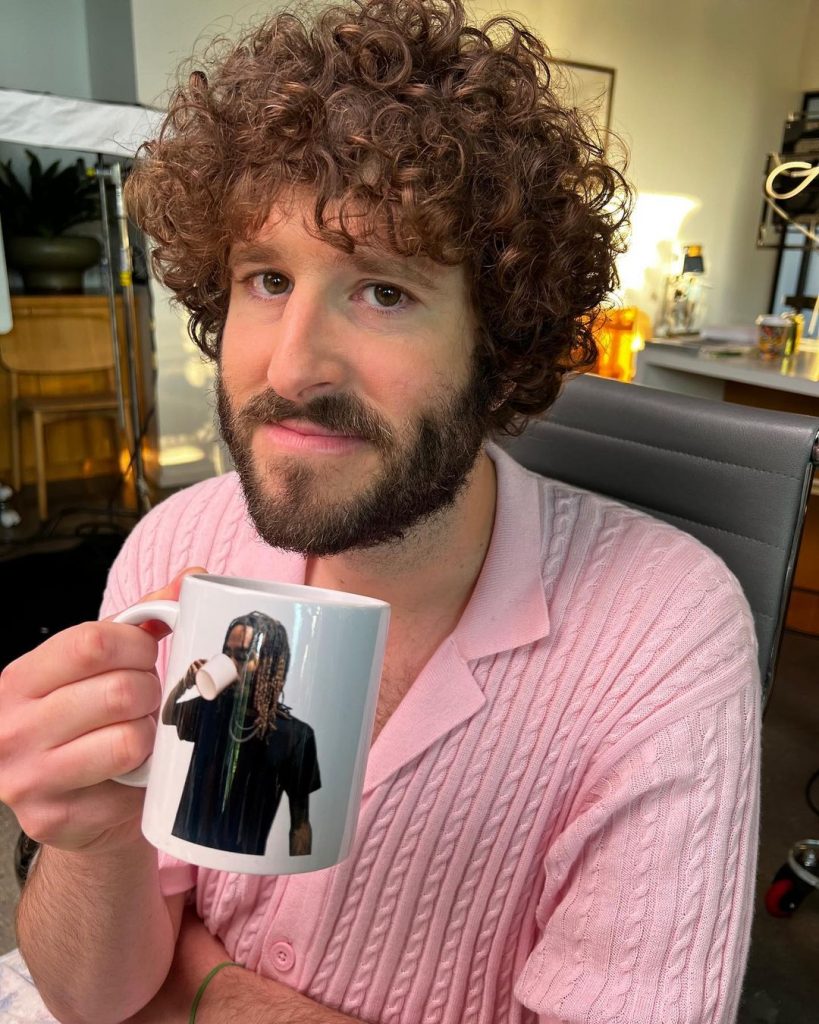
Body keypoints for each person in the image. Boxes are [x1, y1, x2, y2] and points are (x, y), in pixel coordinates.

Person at [0, 0, 760, 1021]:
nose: (292, 366)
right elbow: (95, 997)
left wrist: (212, 985)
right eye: (266, 278)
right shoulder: (179, 548)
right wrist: (89, 842)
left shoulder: (662, 633)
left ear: (502, 340)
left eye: (385, 291)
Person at [163, 612, 320, 856]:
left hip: (241, 869)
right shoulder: (210, 708)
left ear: (269, 664)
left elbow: (300, 823)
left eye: (244, 657)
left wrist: (302, 876)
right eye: (228, 654)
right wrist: (185, 682)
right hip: (183, 853)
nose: (232, 664)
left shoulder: (295, 736)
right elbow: (168, 717)